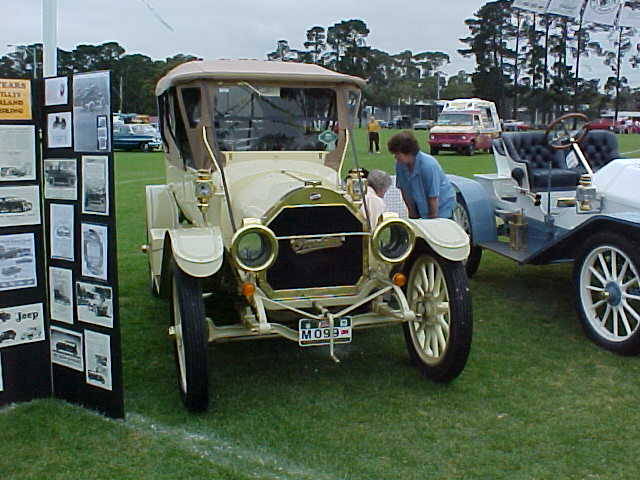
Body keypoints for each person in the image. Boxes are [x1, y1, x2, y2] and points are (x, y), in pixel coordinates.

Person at [388, 131, 455, 219]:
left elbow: (433, 197)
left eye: (397, 154)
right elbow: (404, 191)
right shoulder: (400, 165)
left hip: (442, 208)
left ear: (408, 152)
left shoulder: (428, 165)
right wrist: (413, 217)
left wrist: (432, 222)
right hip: (421, 205)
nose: (395, 157)